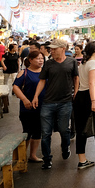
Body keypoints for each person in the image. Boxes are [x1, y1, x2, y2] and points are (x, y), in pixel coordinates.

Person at [32, 39, 79, 169]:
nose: (51, 51)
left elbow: (76, 78)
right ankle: (47, 159)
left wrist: (76, 92)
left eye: (54, 49)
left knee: (64, 129)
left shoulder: (72, 62)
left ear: (63, 48)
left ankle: (65, 147)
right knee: (46, 133)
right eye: (51, 49)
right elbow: (42, 81)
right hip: (48, 102)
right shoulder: (49, 64)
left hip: (65, 102)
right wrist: (36, 96)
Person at [12, 51, 45, 163]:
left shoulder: (45, 72)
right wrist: (25, 100)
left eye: (42, 58)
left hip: (42, 106)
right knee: (27, 131)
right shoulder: (24, 72)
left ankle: (32, 155)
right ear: (30, 60)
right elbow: (15, 87)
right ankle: (20, 157)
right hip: (28, 107)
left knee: (37, 131)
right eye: (38, 58)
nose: (41, 60)